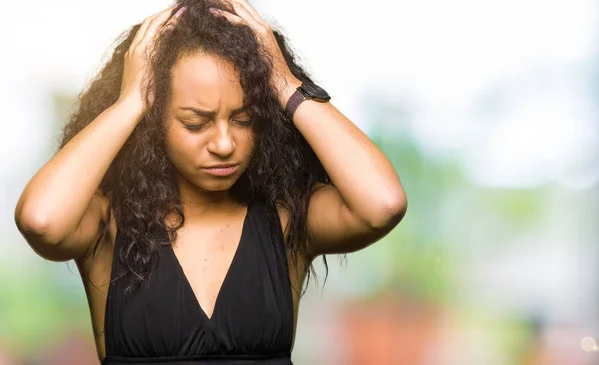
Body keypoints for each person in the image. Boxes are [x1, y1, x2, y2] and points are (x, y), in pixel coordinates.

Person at [14, 0, 407, 364]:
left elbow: (383, 203)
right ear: (153, 123)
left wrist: (285, 84)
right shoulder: (108, 225)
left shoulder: (286, 219)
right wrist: (131, 100)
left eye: (244, 119)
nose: (224, 144)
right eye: (195, 123)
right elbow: (41, 219)